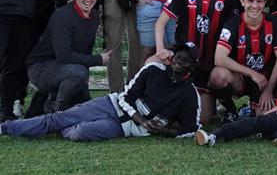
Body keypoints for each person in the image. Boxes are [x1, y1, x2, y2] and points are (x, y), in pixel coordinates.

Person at [1, 44, 201, 142]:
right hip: (112, 105)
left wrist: (165, 131)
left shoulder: (190, 94)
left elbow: (192, 127)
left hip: (125, 128)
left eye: (185, 59)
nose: (178, 61)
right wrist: (140, 119)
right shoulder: (154, 69)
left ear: (193, 66)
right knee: (58, 119)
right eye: (177, 56)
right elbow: (125, 96)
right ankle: (7, 128)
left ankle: (59, 125)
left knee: (79, 132)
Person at [156, 0, 238, 124]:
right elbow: (160, 23)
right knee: (151, 62)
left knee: (204, 118)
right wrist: (161, 49)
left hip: (208, 67)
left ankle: (223, 104)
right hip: (184, 62)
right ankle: (146, 104)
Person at [24, 0, 111, 114]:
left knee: (85, 108)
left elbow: (84, 52)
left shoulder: (94, 16)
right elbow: (63, 56)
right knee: (78, 73)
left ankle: (42, 102)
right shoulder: (62, 16)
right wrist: (98, 59)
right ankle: (57, 109)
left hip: (66, 68)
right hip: (40, 67)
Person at [212, 0, 277, 116]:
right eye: (250, 1)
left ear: (265, 3)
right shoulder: (233, 23)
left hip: (264, 81)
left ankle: (248, 109)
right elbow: (219, 58)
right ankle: (230, 112)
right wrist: (252, 73)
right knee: (218, 75)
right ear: (242, 1)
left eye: (259, 1)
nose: (254, 6)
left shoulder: (274, 23)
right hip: (241, 78)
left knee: (264, 116)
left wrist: (269, 90)